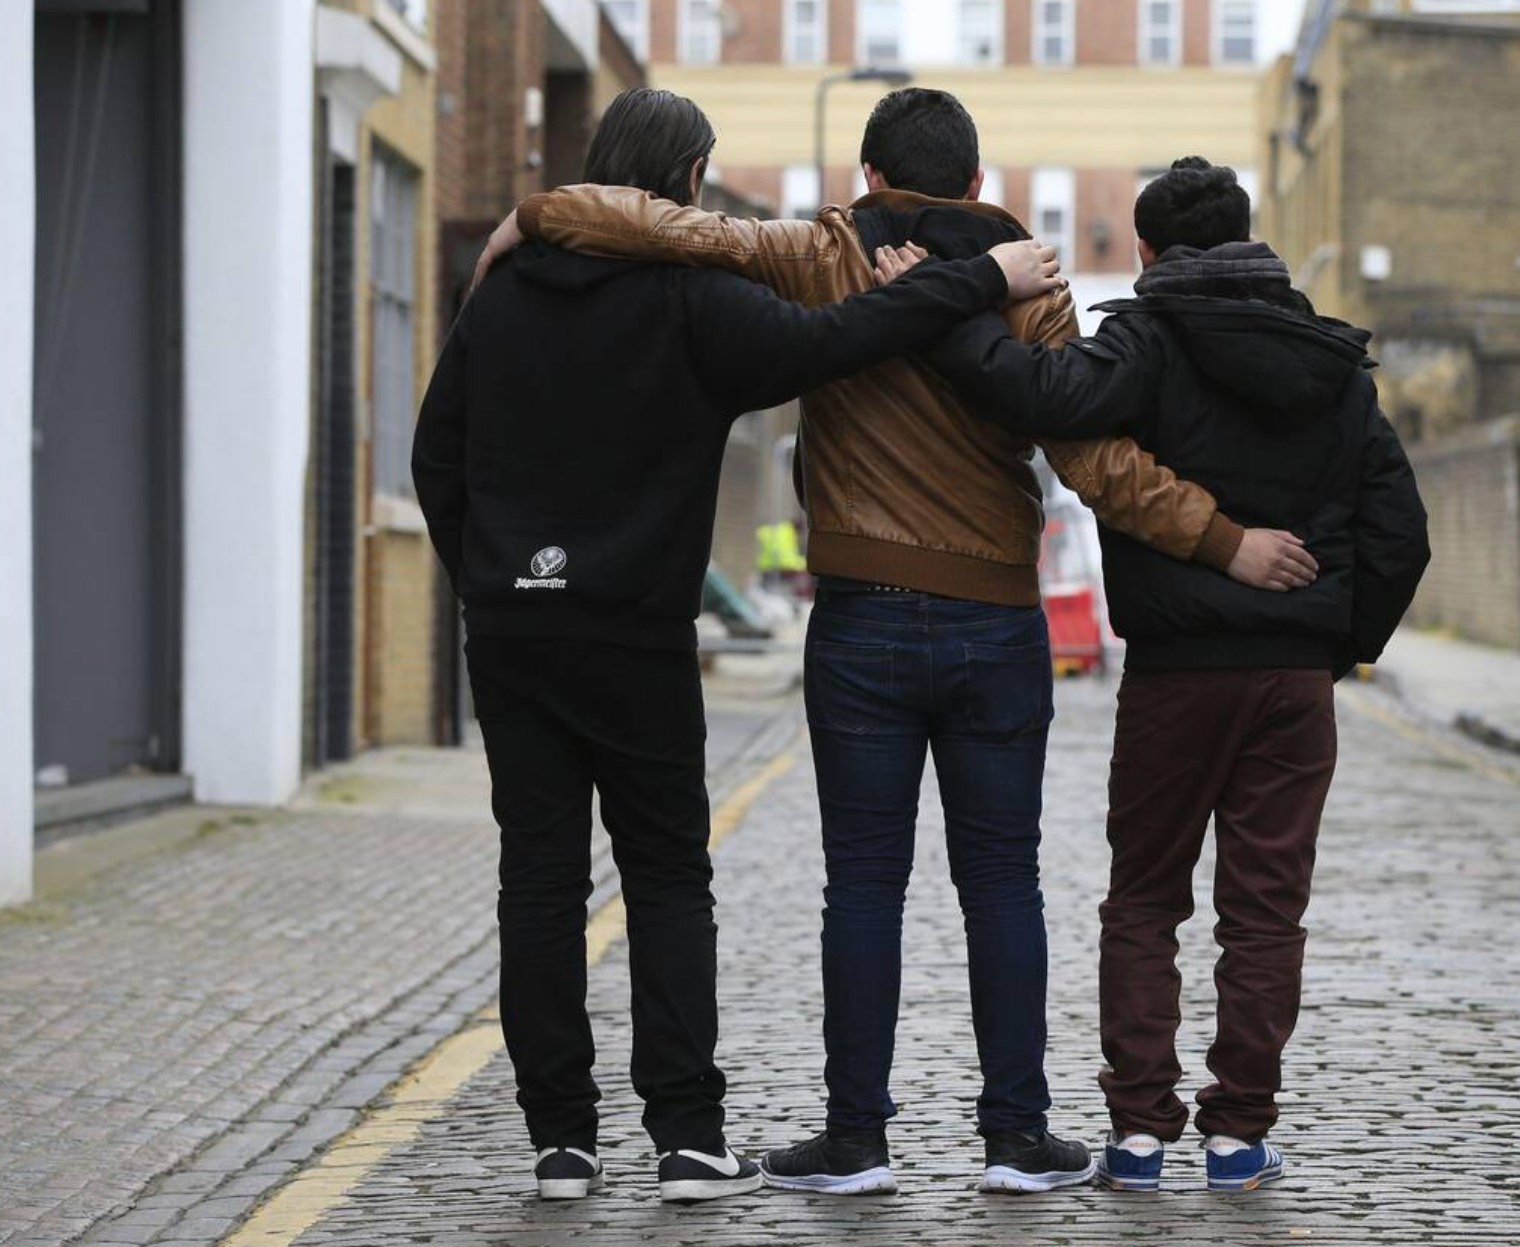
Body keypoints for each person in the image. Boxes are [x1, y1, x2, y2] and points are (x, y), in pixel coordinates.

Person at [472, 88, 1320, 1196]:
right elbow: (1092, 457)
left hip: (862, 618)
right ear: (976, 182)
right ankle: (1017, 1138)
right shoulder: (1028, 276)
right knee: (1003, 883)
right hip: (996, 620)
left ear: (869, 177)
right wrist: (1225, 540)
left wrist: (540, 213)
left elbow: (676, 227)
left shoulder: (821, 252)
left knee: (863, 887)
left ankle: (856, 1141)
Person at [411, 87, 1063, 1206]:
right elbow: (839, 338)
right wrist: (978, 278)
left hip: (515, 626)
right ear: (690, 177)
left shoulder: (502, 294)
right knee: (668, 874)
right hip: (639, 629)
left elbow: (438, 452)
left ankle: (561, 1142)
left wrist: (491, 576)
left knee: (539, 878)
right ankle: (686, 1137)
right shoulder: (693, 299)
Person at [922, 157, 1431, 1194]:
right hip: (1293, 682)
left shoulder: (1147, 340)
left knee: (1144, 902)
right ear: (1249, 238)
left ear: (1147, 251)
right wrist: (1330, 644)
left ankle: (1141, 1134)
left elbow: (1041, 393)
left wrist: (952, 306)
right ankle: (1239, 1135)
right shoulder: (1333, 361)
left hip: (1174, 677)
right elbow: (1401, 533)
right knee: (1265, 914)